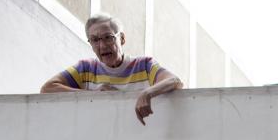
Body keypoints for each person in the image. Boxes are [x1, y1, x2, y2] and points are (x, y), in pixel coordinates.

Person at [40, 13, 182, 125]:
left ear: (122, 39)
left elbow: (174, 81)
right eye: (95, 40)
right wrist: (92, 94)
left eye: (108, 37)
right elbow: (48, 88)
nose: (102, 46)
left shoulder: (143, 65)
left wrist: (147, 93)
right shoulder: (86, 68)